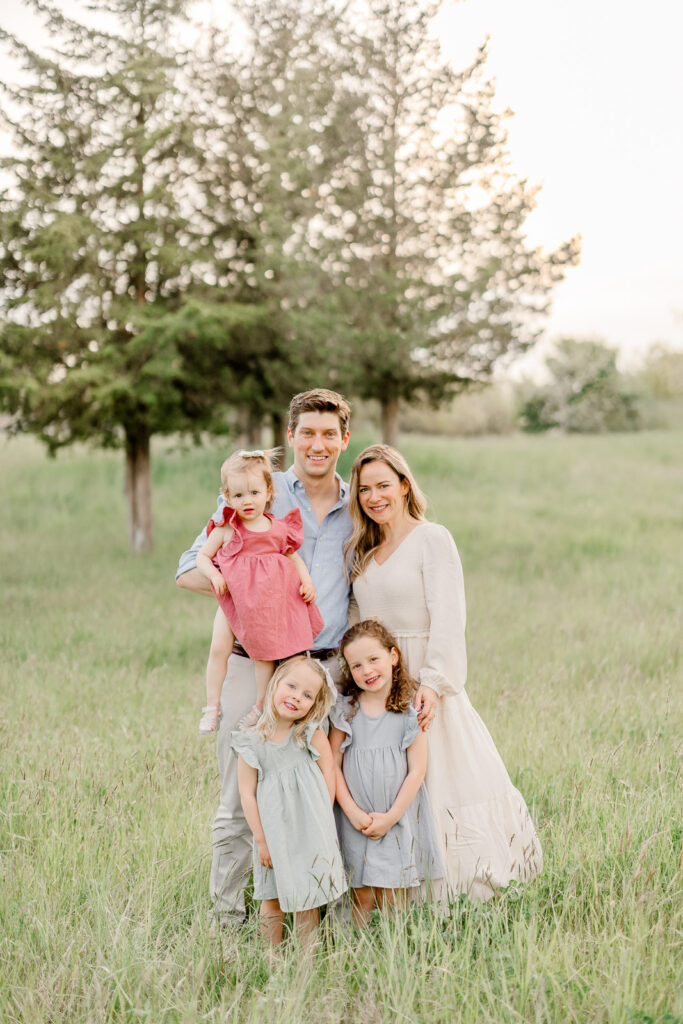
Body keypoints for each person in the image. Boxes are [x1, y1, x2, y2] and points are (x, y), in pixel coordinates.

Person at [176, 389, 352, 926]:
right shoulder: (252, 491)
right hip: (251, 659)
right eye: (306, 433)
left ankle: (321, 909)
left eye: (328, 434)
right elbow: (187, 569)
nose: (316, 444)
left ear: (344, 439)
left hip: (324, 670)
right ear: (290, 435)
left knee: (322, 792)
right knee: (238, 791)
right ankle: (228, 920)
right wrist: (252, 595)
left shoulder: (360, 504)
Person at [346, 444, 543, 901]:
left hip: (422, 677)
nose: (374, 496)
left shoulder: (432, 538)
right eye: (364, 489)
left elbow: (449, 618)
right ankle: (391, 885)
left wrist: (432, 683)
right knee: (387, 780)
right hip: (378, 682)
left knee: (441, 777)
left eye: (383, 485)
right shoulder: (363, 548)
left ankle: (457, 889)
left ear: (404, 485)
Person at [195, 448, 323, 734]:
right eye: (238, 495)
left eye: (253, 492)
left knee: (264, 656)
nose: (247, 500)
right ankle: (211, 707)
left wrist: (307, 582)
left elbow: (292, 556)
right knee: (218, 649)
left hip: (266, 609)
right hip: (234, 605)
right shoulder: (227, 529)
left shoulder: (276, 528)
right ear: (227, 497)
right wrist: (214, 574)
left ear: (268, 492)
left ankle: (259, 706)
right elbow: (202, 557)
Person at [329, 619, 443, 927]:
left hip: (396, 819)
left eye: (373, 659)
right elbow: (332, 765)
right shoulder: (347, 708)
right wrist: (351, 812)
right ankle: (358, 958)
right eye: (356, 665)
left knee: (394, 897)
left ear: (393, 656)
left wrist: (391, 817)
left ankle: (395, 959)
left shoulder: (409, 707)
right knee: (362, 895)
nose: (366, 671)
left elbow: (417, 770)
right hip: (356, 819)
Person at [232, 655, 347, 945]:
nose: (296, 697)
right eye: (291, 686)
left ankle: (306, 957)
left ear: (314, 704)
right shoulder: (252, 741)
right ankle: (272, 956)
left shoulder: (309, 733)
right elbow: (247, 793)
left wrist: (324, 811)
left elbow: (328, 771)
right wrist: (261, 840)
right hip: (274, 833)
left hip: (309, 828)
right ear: (275, 684)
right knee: (271, 896)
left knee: (308, 894)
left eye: (307, 695)